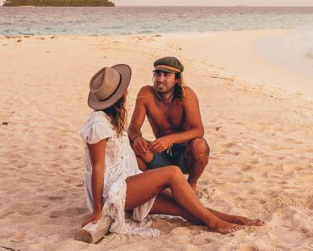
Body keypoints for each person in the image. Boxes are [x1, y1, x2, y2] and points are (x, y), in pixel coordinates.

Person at [81, 63, 261, 236]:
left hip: (127, 180)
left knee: (181, 207)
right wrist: (98, 210)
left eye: (166, 75)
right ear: (119, 95)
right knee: (173, 173)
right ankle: (214, 224)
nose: (127, 91)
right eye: (123, 90)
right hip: (113, 192)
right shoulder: (98, 125)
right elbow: (97, 167)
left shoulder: (111, 116)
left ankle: (233, 218)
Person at [128, 56, 210, 193]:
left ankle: (191, 184)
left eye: (166, 75)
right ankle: (152, 187)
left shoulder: (186, 95)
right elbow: (133, 128)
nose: (160, 79)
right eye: (157, 74)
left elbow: (199, 130)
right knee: (130, 146)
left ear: (177, 79)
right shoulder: (146, 93)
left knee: (200, 145)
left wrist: (170, 139)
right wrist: (137, 138)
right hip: (160, 154)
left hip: (185, 156)